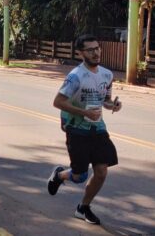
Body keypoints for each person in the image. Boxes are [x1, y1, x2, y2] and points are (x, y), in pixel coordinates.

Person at [46, 34, 122, 225]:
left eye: (97, 48)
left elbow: (104, 100)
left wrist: (113, 105)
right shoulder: (75, 77)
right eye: (90, 50)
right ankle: (60, 175)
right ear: (80, 53)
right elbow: (58, 102)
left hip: (98, 129)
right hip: (77, 130)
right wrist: (83, 112)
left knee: (102, 171)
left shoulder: (107, 74)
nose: (96, 52)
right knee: (79, 176)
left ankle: (83, 208)